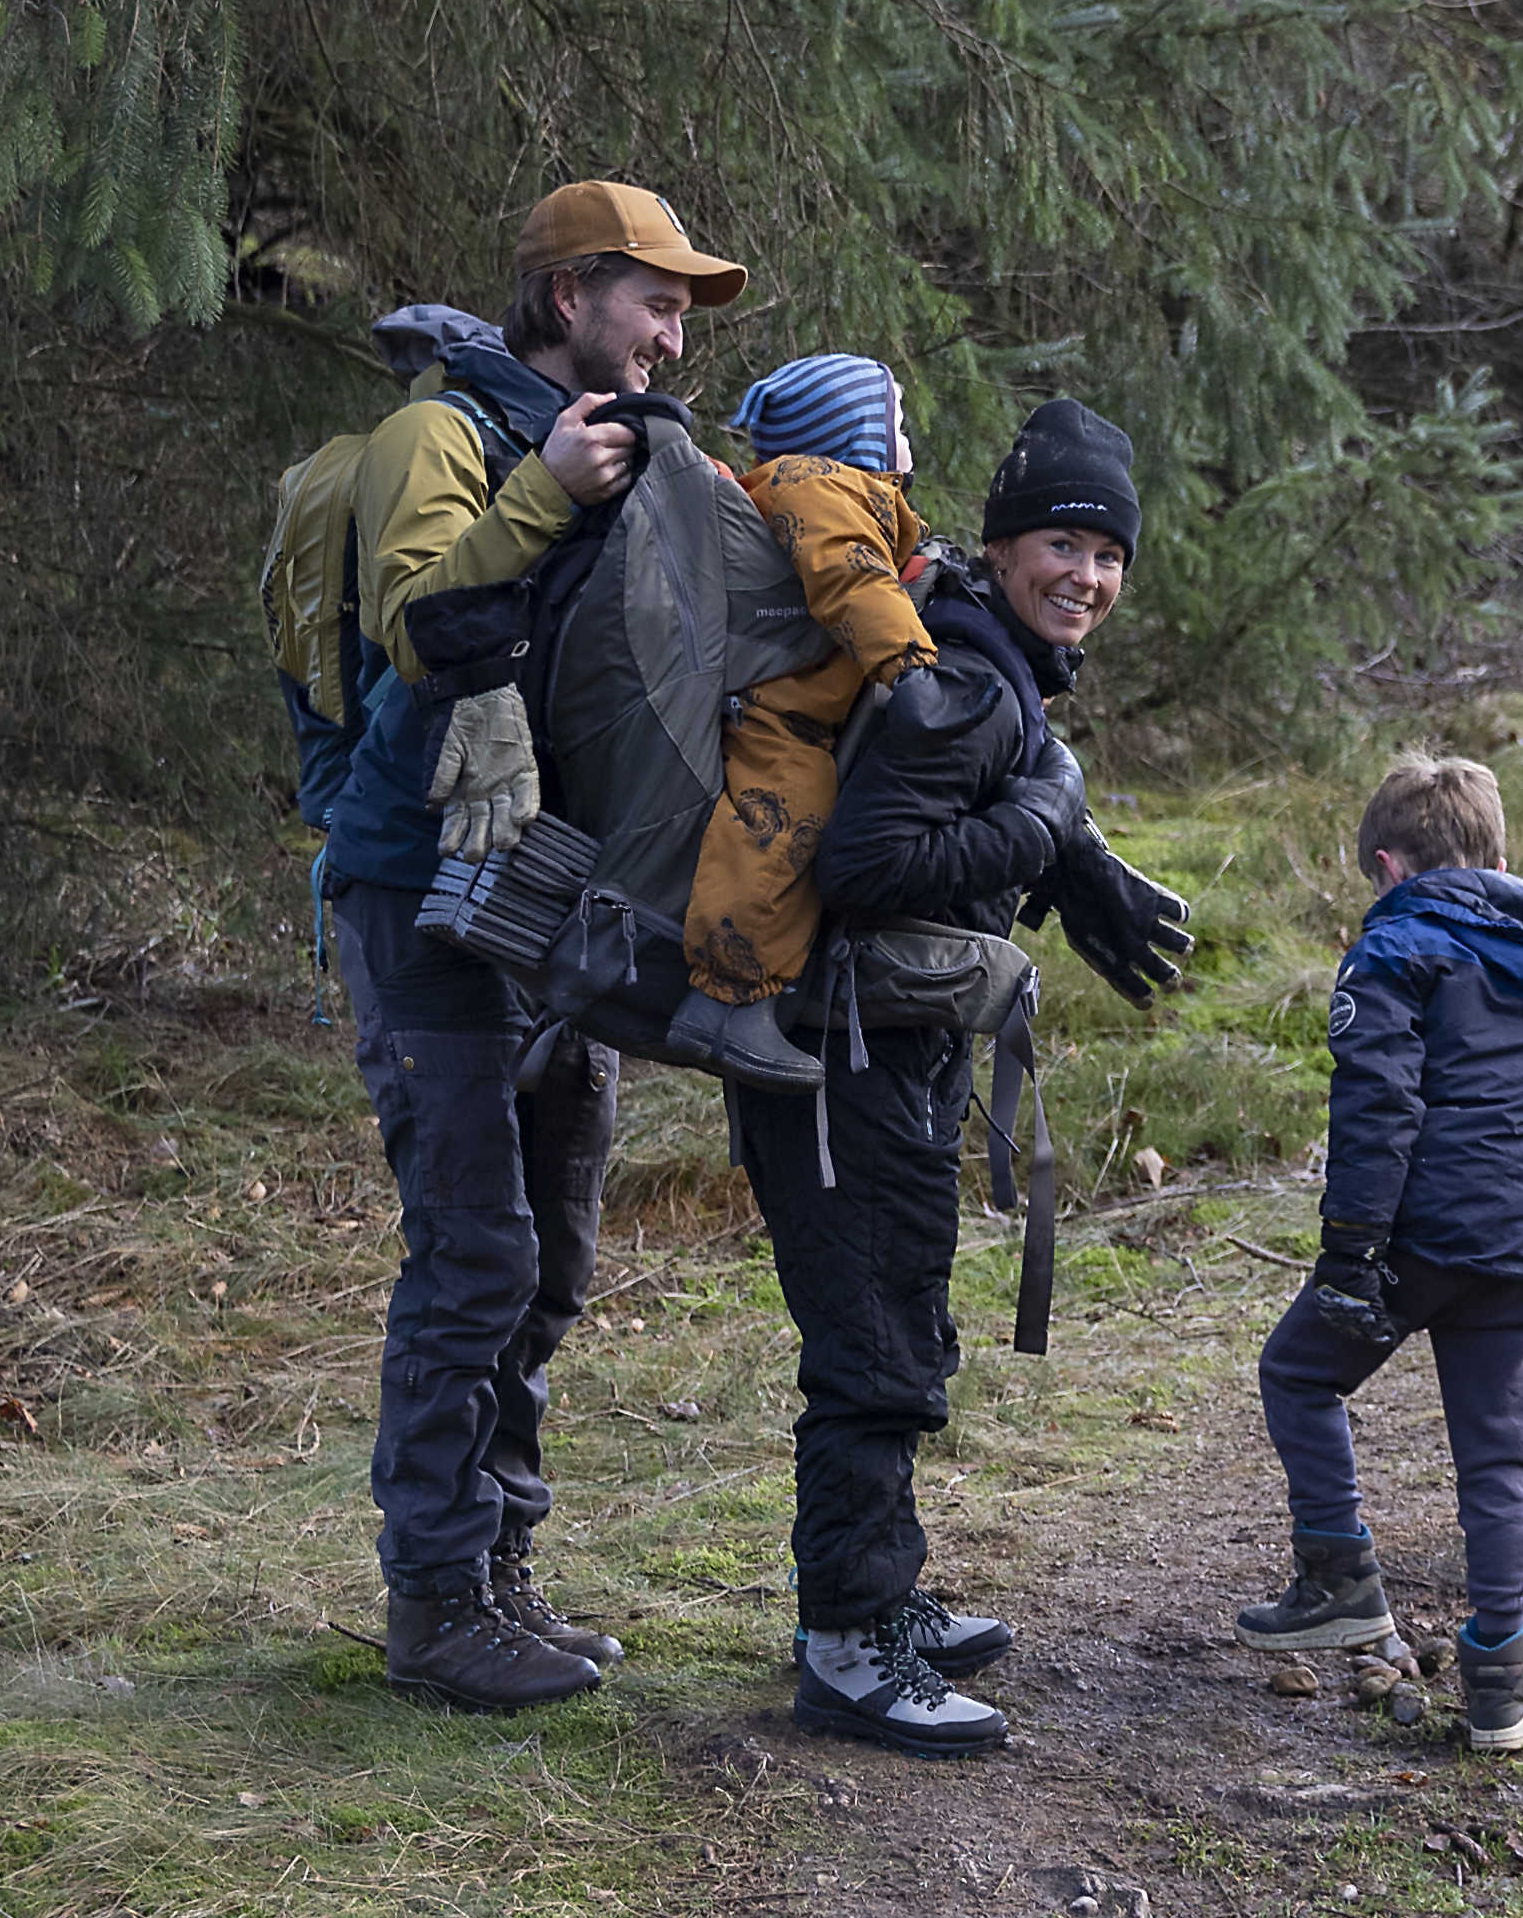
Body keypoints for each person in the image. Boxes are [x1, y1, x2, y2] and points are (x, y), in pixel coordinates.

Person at [325, 180, 736, 1711]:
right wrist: (547, 488)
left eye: (682, 309)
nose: (673, 333)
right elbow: (413, 618)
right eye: (654, 301)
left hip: (558, 902)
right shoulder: (434, 437)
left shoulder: (623, 448)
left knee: (550, 1256)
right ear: (570, 297)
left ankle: (500, 1570)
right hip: (420, 898)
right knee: (475, 1251)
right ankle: (434, 1603)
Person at [744, 395, 1194, 1754]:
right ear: (999, 549)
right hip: (846, 1060)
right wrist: (1041, 823)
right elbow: (869, 865)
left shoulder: (977, 652)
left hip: (875, 1050)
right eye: (1061, 545)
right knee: (875, 1345)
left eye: (1108, 556)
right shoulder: (971, 683)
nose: (1087, 577)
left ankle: (882, 1594)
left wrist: (1046, 825)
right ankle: (849, 1645)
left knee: (896, 1324)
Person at [1233, 755, 1523, 1755]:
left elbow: (1377, 1106)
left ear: (1387, 865)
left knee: (1298, 1372)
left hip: (1421, 1236)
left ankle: (1339, 1577)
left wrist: (1350, 1253)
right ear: (1499, 855)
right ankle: (1501, 1682)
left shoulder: (1396, 947)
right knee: (1501, 1457)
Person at [662, 354, 947, 1092]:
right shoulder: (817, 488)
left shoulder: (834, 493)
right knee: (782, 821)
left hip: (795, 706)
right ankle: (725, 1002)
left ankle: (749, 997)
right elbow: (851, 578)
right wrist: (911, 667)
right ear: (859, 436)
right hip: (777, 714)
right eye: (897, 422)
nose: (909, 438)